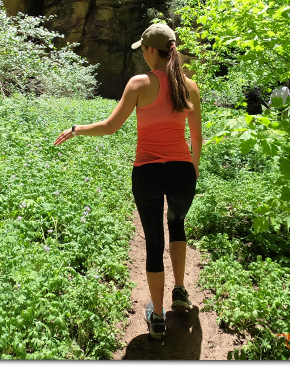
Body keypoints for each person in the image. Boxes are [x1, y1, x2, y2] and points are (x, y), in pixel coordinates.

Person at [53, 23, 202, 340]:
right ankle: (179, 290)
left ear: (150, 50)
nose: (143, 55)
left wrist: (77, 128)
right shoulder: (190, 86)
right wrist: (193, 170)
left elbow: (110, 126)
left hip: (147, 172)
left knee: (153, 241)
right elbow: (197, 137)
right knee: (176, 225)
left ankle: (158, 318)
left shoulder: (139, 83)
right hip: (182, 172)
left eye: (143, 50)